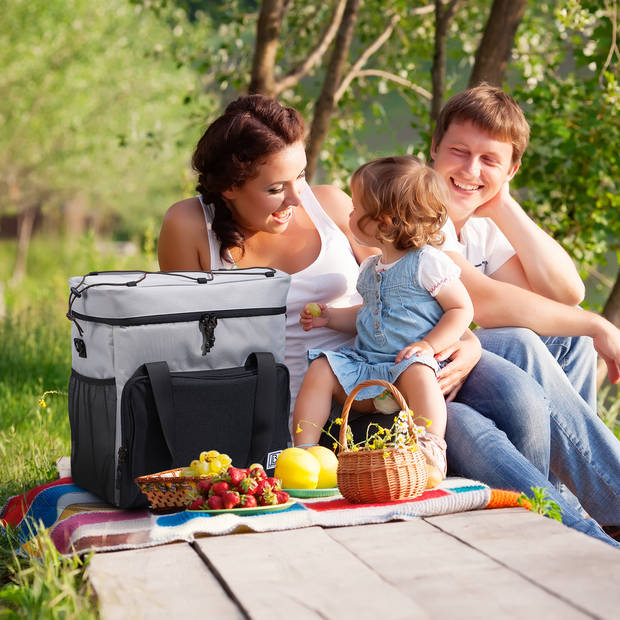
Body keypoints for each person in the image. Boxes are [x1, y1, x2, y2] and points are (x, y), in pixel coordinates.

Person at [157, 94, 619, 546]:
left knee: (518, 373)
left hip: (398, 361)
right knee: (470, 428)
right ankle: (582, 536)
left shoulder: (332, 206)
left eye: (301, 175)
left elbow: (417, 285)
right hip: (339, 400)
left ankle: (599, 513)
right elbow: (187, 353)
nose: (297, 197)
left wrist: (472, 342)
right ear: (229, 187)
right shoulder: (189, 225)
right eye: (276, 187)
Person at [427, 84, 620, 535]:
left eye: (490, 160)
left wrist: (505, 204)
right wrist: (599, 325)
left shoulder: (477, 226)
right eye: (459, 151)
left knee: (567, 339)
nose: (470, 170)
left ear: (512, 168)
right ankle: (612, 497)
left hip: (460, 362)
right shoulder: (414, 206)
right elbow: (487, 302)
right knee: (519, 339)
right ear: (434, 148)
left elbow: (563, 293)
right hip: (416, 365)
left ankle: (576, 496)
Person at [293, 156, 474, 479]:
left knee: (418, 370)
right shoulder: (370, 269)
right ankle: (305, 455)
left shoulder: (427, 263)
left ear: (384, 222)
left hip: (408, 367)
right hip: (370, 366)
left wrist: (429, 345)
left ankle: (428, 448)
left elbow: (462, 309)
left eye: (356, 208)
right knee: (321, 367)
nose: (349, 213)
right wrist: (330, 318)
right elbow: (368, 316)